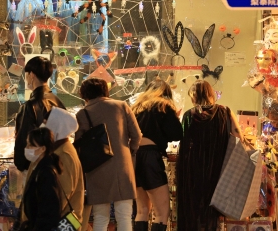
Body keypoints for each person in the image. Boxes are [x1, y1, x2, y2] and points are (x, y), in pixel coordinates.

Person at [74, 78, 142, 231]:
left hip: (96, 168)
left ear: (84, 94)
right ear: (105, 90)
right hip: (122, 167)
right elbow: (137, 135)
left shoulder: (82, 114)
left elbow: (79, 144)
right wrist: (129, 152)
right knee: (124, 215)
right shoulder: (121, 106)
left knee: (100, 217)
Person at [177, 80, 242, 231]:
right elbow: (239, 137)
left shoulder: (189, 115)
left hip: (194, 168)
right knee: (214, 208)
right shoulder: (225, 111)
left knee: (195, 208)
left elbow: (183, 141)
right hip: (219, 166)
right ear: (211, 93)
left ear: (194, 96)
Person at [131, 79, 183, 231]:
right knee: (161, 213)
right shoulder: (163, 105)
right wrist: (175, 119)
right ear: (166, 93)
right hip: (150, 158)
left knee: (141, 211)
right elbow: (177, 134)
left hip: (134, 156)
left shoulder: (136, 108)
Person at [15, 56, 66, 171]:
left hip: (37, 165)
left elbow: (24, 139)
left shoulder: (30, 105)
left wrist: (21, 165)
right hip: (57, 163)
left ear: (31, 75)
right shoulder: (57, 101)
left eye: (26, 74)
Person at [38, 107, 85, 230]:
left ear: (55, 125)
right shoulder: (58, 149)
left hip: (61, 223)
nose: (42, 126)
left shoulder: (64, 154)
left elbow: (61, 195)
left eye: (45, 122)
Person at [20, 127, 63, 230]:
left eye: (31, 145)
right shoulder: (39, 167)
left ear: (43, 149)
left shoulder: (46, 173)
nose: (27, 148)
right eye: (27, 144)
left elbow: (49, 211)